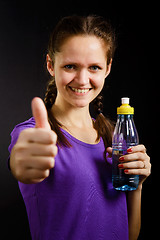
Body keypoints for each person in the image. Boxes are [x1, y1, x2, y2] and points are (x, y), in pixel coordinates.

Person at [8, 15, 151, 240]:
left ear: (108, 68)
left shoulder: (114, 137)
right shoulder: (34, 135)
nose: (82, 79)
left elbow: (129, 235)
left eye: (94, 67)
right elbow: (21, 160)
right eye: (70, 66)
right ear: (50, 65)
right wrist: (20, 163)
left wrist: (137, 186)